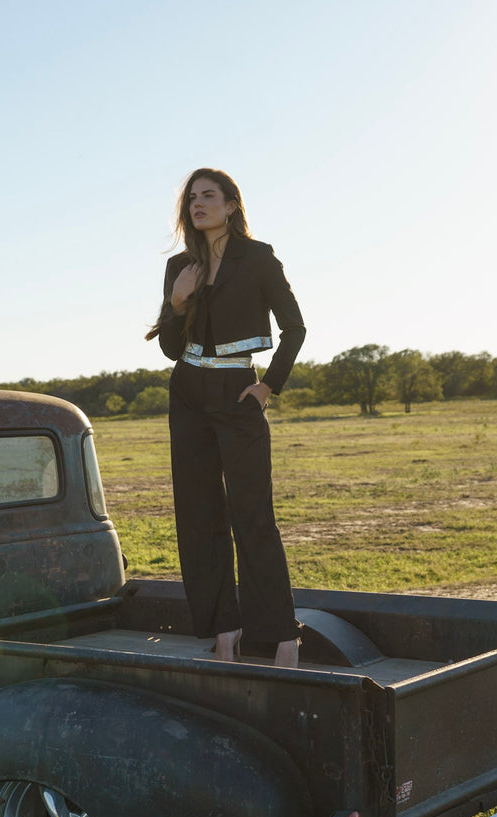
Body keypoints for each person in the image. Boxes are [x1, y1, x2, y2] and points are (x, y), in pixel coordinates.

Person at [145, 168, 305, 668]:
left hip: (238, 392)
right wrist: (176, 302)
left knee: (252, 515)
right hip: (187, 392)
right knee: (198, 516)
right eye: (191, 198)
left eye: (208, 196)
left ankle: (282, 638)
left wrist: (266, 387)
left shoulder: (257, 259)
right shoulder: (179, 266)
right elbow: (172, 349)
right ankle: (224, 631)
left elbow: (295, 328)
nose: (198, 204)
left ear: (232, 204)